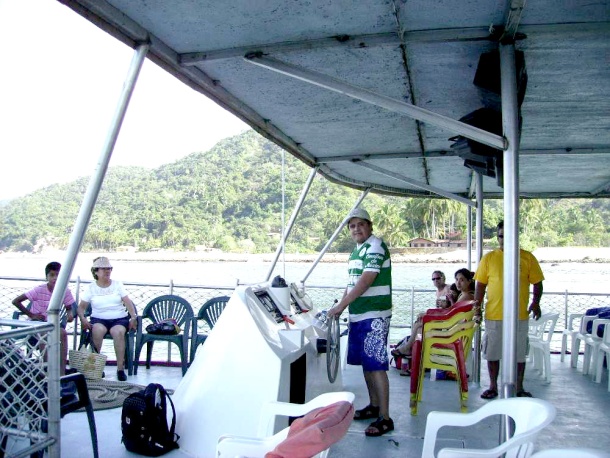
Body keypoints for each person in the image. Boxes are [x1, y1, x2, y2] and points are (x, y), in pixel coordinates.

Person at [327, 208, 394, 437]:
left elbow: (367, 280)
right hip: (358, 315)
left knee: (376, 366)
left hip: (375, 315)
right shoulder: (356, 251)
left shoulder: (375, 246)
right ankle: (374, 405)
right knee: (367, 365)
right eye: (352, 226)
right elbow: (352, 282)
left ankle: (385, 418)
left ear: (370, 226)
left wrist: (341, 306)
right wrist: (342, 305)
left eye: (360, 224)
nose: (356, 229)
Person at [474, 220, 544, 399]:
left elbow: (537, 283)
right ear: (497, 237)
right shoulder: (489, 258)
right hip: (494, 315)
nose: (504, 239)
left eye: (508, 235)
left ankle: (519, 387)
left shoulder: (527, 257)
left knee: (519, 355)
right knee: (492, 353)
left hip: (519, 316)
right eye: (501, 236)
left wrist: (535, 303)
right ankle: (493, 387)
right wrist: (477, 308)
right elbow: (480, 285)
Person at [77, 257, 137, 381]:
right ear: (96, 271)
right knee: (97, 331)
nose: (107, 271)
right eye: (103, 269)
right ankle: (96, 367)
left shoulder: (117, 284)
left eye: (109, 268)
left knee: (118, 332)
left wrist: (133, 317)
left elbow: (127, 302)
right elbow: (81, 307)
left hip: (118, 318)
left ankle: (120, 368)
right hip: (99, 318)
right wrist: (83, 319)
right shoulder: (91, 287)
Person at [12, 261, 76, 376]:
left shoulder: (65, 291)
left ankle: (61, 373)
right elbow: (16, 301)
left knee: (63, 334)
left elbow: (69, 308)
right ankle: (48, 372)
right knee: (43, 333)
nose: (55, 278)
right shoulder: (39, 289)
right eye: (52, 275)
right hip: (37, 324)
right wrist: (31, 315)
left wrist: (70, 315)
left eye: (58, 275)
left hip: (53, 324)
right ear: (47, 276)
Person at [391, 270, 457, 362]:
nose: (435, 281)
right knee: (418, 325)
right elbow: (440, 308)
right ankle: (416, 355)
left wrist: (428, 313)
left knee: (418, 325)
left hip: (445, 321)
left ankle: (409, 350)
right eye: (433, 279)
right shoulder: (438, 292)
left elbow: (449, 308)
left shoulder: (448, 288)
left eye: (438, 278)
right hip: (441, 318)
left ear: (443, 278)